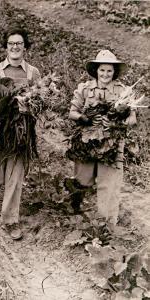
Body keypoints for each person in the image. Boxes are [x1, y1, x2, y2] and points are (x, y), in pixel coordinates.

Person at [0, 27, 40, 240]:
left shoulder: (33, 73)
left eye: (19, 43)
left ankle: (11, 220)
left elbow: (40, 104)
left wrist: (29, 108)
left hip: (20, 135)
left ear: (25, 47)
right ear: (6, 47)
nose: (15, 47)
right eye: (11, 43)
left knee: (14, 181)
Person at [67, 49, 137, 226]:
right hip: (86, 141)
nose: (105, 74)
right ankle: (75, 206)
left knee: (109, 185)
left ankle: (106, 226)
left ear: (114, 72)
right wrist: (84, 118)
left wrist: (117, 124)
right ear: (96, 70)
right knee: (82, 180)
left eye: (109, 71)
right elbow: (72, 113)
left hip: (112, 144)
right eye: (102, 70)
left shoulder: (124, 92)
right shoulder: (84, 89)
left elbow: (132, 119)